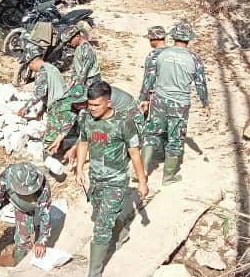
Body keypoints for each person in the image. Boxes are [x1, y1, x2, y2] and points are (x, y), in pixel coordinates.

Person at [75, 81, 149, 277]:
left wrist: (142, 182)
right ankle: (120, 230)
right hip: (96, 179)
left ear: (108, 102)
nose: (92, 109)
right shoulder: (87, 120)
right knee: (100, 214)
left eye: (97, 105)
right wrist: (80, 169)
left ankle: (94, 271)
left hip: (116, 181)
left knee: (101, 226)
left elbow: (135, 153)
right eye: (90, 105)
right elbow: (83, 142)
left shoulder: (124, 123)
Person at [138, 20, 209, 184]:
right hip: (180, 104)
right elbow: (200, 84)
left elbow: (149, 78)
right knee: (175, 139)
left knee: (151, 134)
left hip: (159, 100)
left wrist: (143, 99)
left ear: (174, 36)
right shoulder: (195, 59)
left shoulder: (162, 54)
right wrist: (205, 103)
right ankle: (168, 176)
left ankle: (141, 171)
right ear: (189, 39)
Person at [0, 162, 52, 264]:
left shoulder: (43, 188)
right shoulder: (9, 174)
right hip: (8, 194)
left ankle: (18, 262)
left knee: (23, 239)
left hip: (25, 207)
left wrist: (41, 241)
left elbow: (45, 214)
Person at [62, 83, 141, 162]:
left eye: (79, 103)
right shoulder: (92, 98)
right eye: (75, 103)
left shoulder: (100, 101)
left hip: (129, 111)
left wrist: (75, 147)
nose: (76, 106)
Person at [137, 25, 170, 172]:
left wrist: (143, 98)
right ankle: (164, 155)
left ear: (154, 39)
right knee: (169, 126)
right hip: (176, 96)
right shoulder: (173, 53)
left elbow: (148, 79)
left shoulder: (153, 55)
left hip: (158, 95)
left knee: (151, 130)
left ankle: (142, 168)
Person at [65, 26, 100, 90]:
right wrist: (73, 79)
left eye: (70, 40)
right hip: (83, 79)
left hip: (90, 80)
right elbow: (76, 65)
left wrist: (79, 84)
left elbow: (85, 69)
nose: (69, 43)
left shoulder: (86, 49)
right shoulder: (78, 48)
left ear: (77, 36)